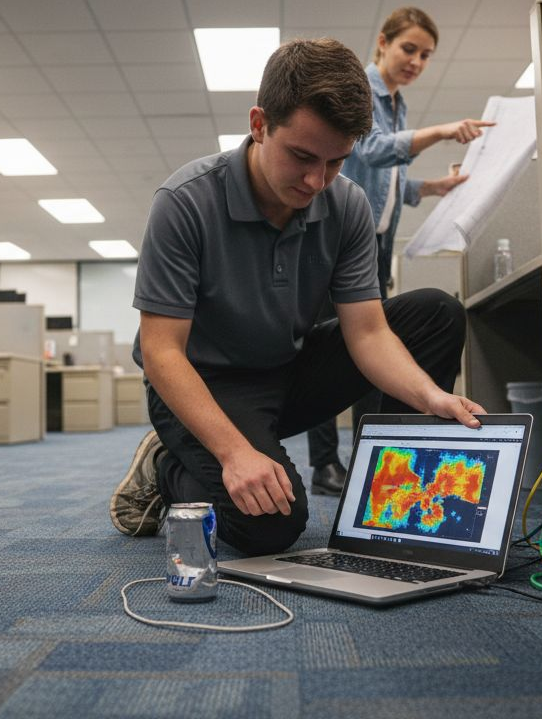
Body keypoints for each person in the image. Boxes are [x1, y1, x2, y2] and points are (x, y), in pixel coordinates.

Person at [109, 38, 485, 556]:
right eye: (302, 157)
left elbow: (368, 333)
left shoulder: (346, 204)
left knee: (435, 313)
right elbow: (161, 352)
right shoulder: (185, 202)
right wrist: (235, 454)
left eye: (336, 161)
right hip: (203, 383)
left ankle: (395, 498)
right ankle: (166, 465)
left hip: (285, 371)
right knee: (271, 525)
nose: (316, 180)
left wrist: (429, 396)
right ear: (259, 124)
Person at [306, 6, 494, 496]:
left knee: (374, 354)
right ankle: (325, 465)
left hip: (374, 245)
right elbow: (367, 151)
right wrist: (441, 131)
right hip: (339, 241)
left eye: (426, 55)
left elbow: (388, 182)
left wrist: (431, 188)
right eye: (409, 49)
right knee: (329, 350)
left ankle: (368, 458)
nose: (416, 61)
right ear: (383, 43)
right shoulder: (362, 90)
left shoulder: (397, 102)